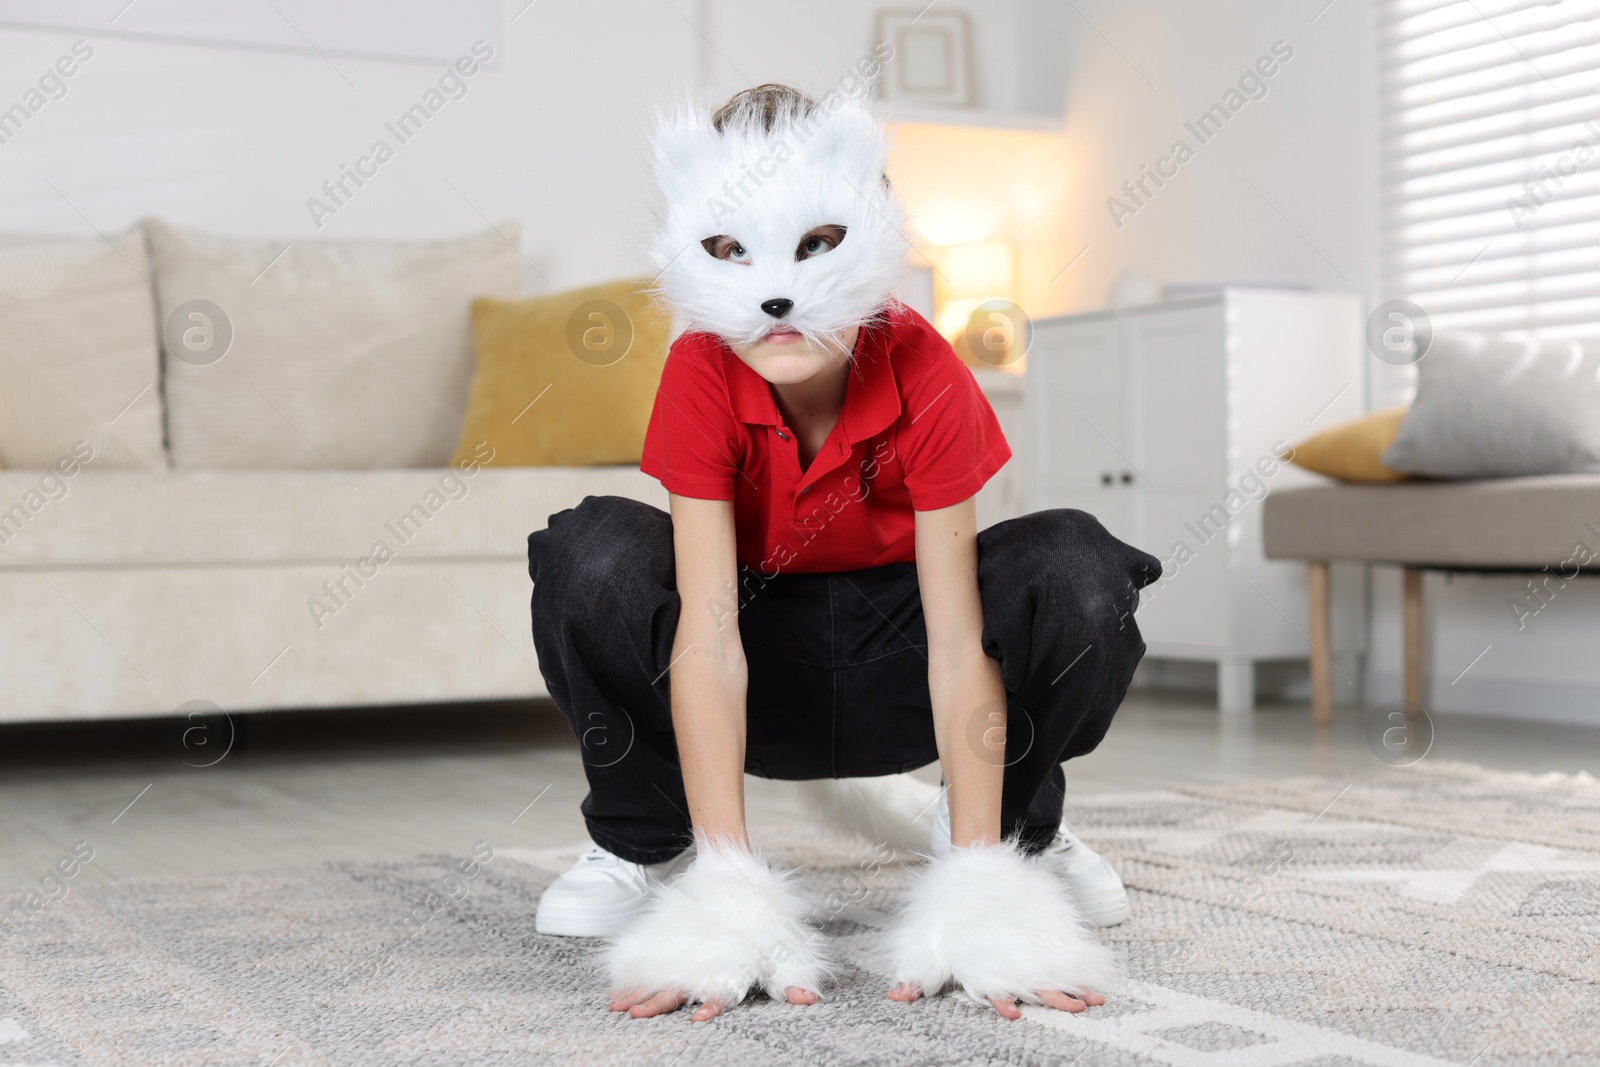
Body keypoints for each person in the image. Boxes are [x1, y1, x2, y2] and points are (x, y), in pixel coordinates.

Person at [527, 83, 1160, 1023]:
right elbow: (705, 637)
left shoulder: (923, 367)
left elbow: (957, 641)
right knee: (591, 549)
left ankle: (1013, 833)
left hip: (904, 669)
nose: (776, 289)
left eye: (814, 245)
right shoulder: (702, 365)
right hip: (759, 670)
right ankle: (645, 836)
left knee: (1077, 562)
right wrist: (728, 891)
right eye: (732, 249)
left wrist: (979, 888)